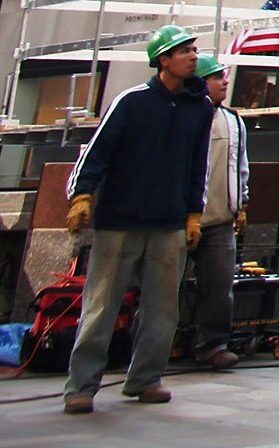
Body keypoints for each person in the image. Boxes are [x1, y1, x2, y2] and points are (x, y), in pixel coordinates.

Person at [61, 26, 214, 415]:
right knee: (101, 306)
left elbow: (198, 165)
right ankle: (81, 386)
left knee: (163, 309)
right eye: (185, 50)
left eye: (194, 50)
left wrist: (193, 212)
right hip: (119, 221)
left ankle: (146, 379)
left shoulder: (200, 108)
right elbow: (97, 152)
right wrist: (82, 195)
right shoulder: (130, 102)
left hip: (169, 223)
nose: (194, 56)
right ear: (163, 60)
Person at [184, 55, 250, 370]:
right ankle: (154, 347)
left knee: (219, 287)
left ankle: (212, 345)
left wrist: (241, 204)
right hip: (177, 219)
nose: (225, 82)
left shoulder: (233, 121)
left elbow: (241, 166)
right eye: (216, 77)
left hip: (220, 219)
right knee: (161, 288)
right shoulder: (180, 117)